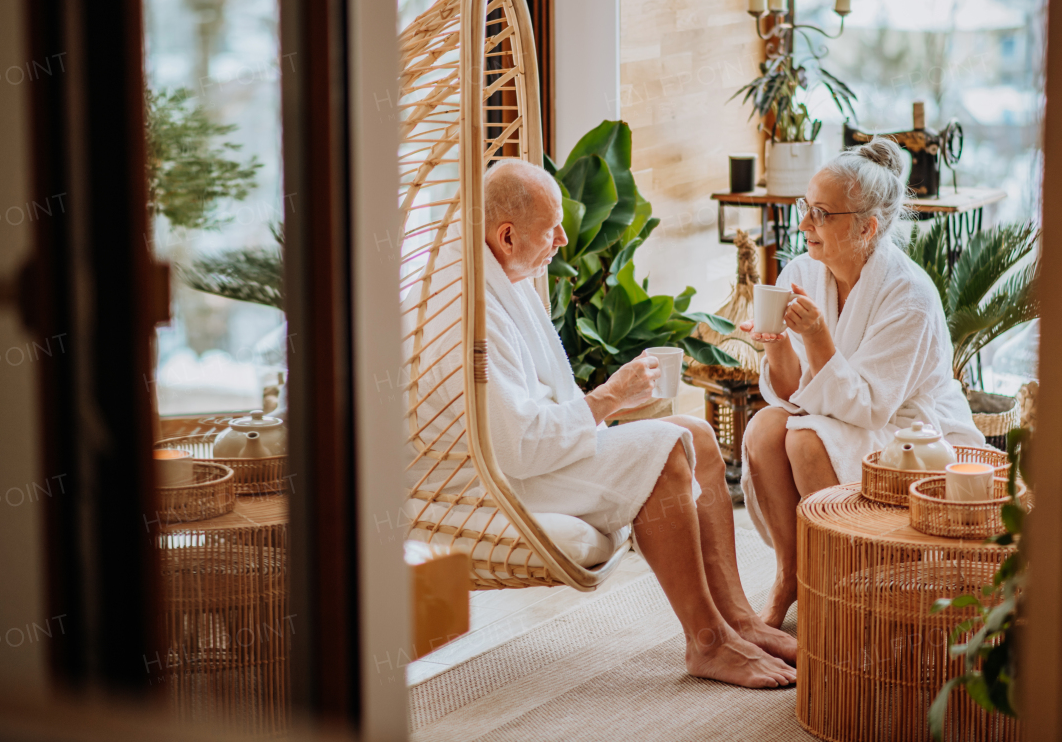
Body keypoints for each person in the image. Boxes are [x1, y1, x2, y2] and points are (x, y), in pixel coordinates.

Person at [408, 158, 797, 688]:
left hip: (519, 452)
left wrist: (609, 404)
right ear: (506, 236)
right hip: (485, 481)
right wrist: (609, 397)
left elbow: (531, 406)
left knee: (700, 437)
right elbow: (517, 446)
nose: (565, 239)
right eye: (552, 229)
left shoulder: (500, 271)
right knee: (663, 451)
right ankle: (707, 642)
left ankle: (741, 620)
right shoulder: (469, 309)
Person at [738, 137, 985, 627]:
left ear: (867, 227)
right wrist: (775, 342)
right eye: (805, 209)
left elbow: (871, 407)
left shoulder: (908, 294)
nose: (805, 225)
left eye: (822, 214)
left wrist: (818, 336)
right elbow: (791, 395)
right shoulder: (805, 270)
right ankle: (791, 573)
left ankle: (843, 584)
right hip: (838, 417)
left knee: (806, 439)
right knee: (765, 427)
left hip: (914, 436)